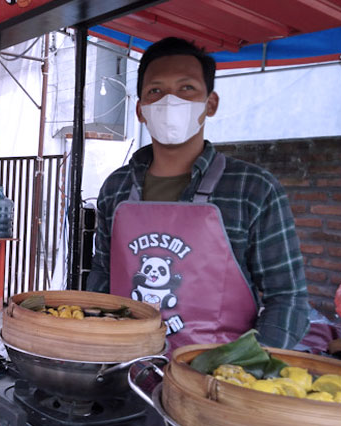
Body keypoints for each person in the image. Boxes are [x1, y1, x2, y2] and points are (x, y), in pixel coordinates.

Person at [87, 37, 310, 351]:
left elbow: (288, 299)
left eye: (186, 88)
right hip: (123, 365)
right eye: (155, 91)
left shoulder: (253, 189)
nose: (170, 101)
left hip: (213, 379)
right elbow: (103, 272)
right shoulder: (116, 187)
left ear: (211, 103)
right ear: (140, 110)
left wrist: (242, 368)